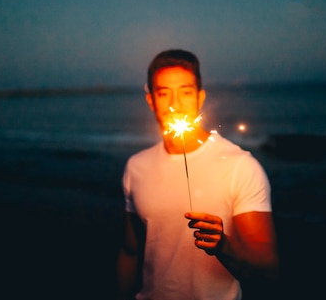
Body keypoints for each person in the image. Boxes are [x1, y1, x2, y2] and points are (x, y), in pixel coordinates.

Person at [116, 49, 279, 300]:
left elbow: (268, 272)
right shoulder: (136, 167)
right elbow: (130, 251)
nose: (175, 104)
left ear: (200, 98)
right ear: (151, 100)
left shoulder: (240, 166)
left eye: (186, 92)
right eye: (163, 93)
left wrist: (222, 246)